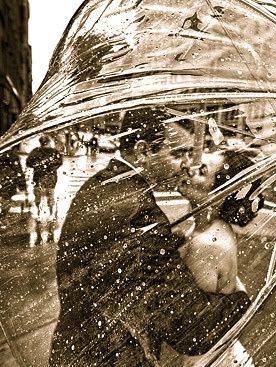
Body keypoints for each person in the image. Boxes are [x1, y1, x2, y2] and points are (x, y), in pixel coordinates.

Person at [49, 108, 251, 366]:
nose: (187, 165)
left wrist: (166, 241)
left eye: (190, 153)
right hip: (107, 355)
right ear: (144, 151)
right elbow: (189, 330)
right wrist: (241, 298)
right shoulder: (140, 214)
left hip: (80, 345)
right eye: (178, 154)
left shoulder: (106, 183)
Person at [178, 149, 264, 366]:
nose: (189, 169)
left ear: (219, 193)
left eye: (202, 171)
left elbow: (189, 326)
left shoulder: (206, 244)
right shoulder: (211, 229)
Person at [26, 135, 62, 218]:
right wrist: (50, 168)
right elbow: (59, 162)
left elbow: (28, 163)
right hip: (51, 177)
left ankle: (39, 213)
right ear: (49, 142)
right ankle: (51, 214)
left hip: (38, 176)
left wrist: (37, 166)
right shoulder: (54, 152)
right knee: (50, 194)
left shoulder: (35, 151)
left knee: (38, 195)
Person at [0, 145, 26, 217]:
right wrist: (22, 185)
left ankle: (3, 214)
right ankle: (3, 215)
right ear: (15, 148)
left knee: (5, 198)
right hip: (8, 182)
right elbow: (18, 171)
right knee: (7, 198)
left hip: (5, 181)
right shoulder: (12, 156)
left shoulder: (3, 153)